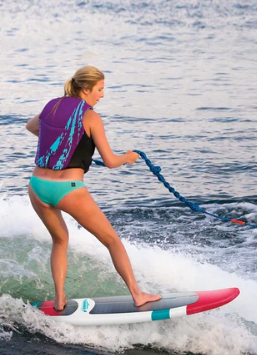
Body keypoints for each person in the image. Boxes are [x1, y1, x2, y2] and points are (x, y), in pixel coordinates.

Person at [26, 65, 161, 311]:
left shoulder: (52, 106)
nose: (102, 95)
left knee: (59, 240)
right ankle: (138, 294)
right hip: (67, 189)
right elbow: (110, 161)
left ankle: (59, 299)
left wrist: (63, 142)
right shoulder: (91, 117)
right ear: (86, 89)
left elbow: (32, 127)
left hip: (37, 187)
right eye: (99, 89)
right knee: (112, 241)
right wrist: (128, 157)